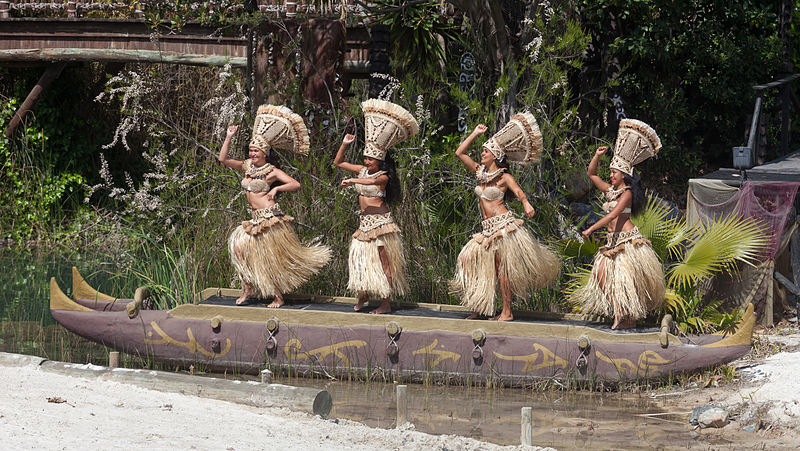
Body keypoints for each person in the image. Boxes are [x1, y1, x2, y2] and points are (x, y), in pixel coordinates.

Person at [450, 114, 560, 321]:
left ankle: (507, 311)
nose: (482, 153)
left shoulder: (503, 176)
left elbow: (518, 192)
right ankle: (479, 305)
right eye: (482, 150)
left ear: (495, 155)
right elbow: (459, 152)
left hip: (503, 226)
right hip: (486, 229)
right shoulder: (480, 172)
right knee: (467, 260)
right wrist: (475, 133)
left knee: (501, 269)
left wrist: (526, 203)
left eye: (485, 151)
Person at [219, 105, 331, 307]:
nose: (252, 153)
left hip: (269, 218)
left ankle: (278, 296)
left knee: (270, 258)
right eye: (251, 150)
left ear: (265, 152)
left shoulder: (272, 171)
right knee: (238, 249)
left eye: (256, 151)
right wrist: (228, 137)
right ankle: (248, 288)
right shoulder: (246, 166)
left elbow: (295, 184)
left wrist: (276, 190)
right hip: (254, 219)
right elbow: (223, 159)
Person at [570, 118, 665, 329]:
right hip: (612, 242)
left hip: (629, 242)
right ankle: (621, 311)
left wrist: (592, 228)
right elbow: (591, 174)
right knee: (601, 273)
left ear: (625, 175)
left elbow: (613, 215)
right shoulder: (610, 190)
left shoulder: (628, 193)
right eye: (611, 171)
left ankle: (626, 316)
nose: (610, 175)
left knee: (627, 282)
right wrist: (596, 155)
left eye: (614, 172)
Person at [334, 99, 418, 314]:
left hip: (381, 224)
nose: (367, 160)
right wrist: (345, 144)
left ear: (380, 160)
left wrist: (352, 181)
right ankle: (362, 296)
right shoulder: (362, 170)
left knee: (384, 264)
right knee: (359, 259)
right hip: (364, 224)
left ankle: (386, 303)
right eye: (366, 157)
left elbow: (371, 183)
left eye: (371, 158)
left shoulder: (383, 177)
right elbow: (339, 163)